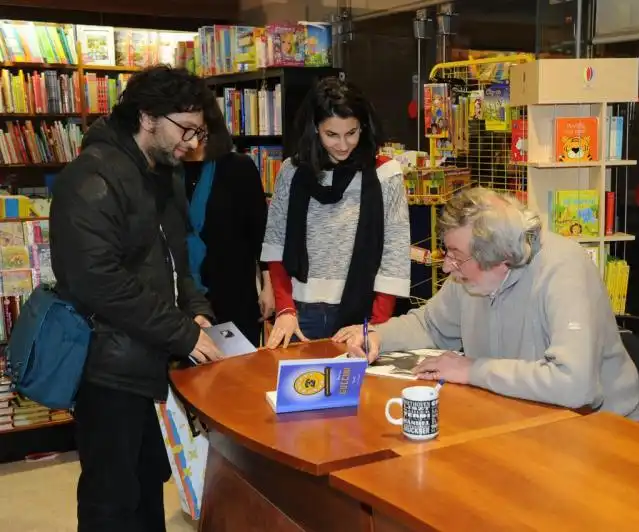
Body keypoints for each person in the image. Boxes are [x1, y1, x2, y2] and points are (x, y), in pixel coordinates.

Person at [49, 66, 224, 532]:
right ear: (148, 116)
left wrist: (198, 312)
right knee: (112, 494)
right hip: (106, 364)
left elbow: (177, 257)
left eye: (200, 131)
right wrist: (181, 331)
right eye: (185, 129)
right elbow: (97, 280)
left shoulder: (160, 173)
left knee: (149, 479)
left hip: (149, 357)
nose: (192, 142)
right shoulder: (90, 178)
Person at [334, 187, 639, 420]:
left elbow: (576, 387)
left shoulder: (564, 271)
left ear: (501, 260)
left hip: (600, 430)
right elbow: (430, 324)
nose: (446, 268)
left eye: (457, 257)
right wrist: (377, 336)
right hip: (518, 419)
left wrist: (473, 370)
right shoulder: (471, 275)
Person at [261, 76, 410, 347]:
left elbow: (395, 255)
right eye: (332, 134)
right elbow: (275, 244)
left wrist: (376, 326)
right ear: (315, 129)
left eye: (351, 133)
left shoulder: (386, 174)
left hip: (363, 313)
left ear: (364, 127)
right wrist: (284, 308)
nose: (343, 145)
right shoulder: (291, 172)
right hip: (300, 313)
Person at [181, 102, 272, 347]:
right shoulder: (165, 171)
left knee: (239, 373)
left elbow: (260, 231)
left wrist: (268, 286)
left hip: (235, 292)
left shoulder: (238, 167)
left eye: (198, 129)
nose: (191, 138)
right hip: (183, 298)